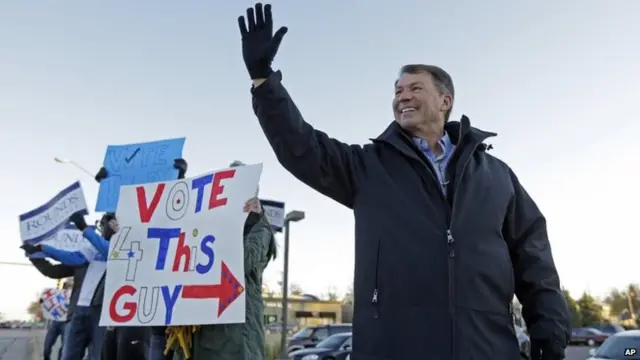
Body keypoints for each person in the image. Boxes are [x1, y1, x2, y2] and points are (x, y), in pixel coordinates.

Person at [237, 3, 571, 360]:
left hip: (487, 348)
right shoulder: (366, 167)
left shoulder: (496, 175)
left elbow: (533, 254)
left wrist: (549, 332)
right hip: (395, 346)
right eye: (397, 91)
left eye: (414, 88)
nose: (402, 97)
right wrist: (263, 80)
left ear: (445, 101)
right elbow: (301, 146)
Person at [171, 160, 277, 360]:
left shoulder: (259, 228)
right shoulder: (209, 225)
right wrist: (178, 181)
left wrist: (256, 216)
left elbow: (242, 261)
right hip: (205, 331)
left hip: (236, 336)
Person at [40, 281, 72, 360]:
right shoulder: (57, 296)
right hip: (55, 323)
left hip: (67, 323)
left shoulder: (74, 296)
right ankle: (46, 357)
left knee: (64, 347)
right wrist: (42, 300)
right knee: (47, 346)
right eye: (67, 286)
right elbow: (46, 301)